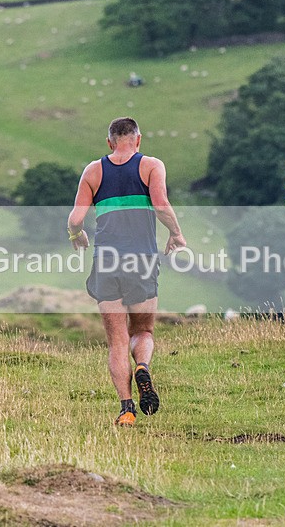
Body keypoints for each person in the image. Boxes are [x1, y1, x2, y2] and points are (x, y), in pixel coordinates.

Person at [67, 117, 186, 427]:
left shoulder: (94, 171)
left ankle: (127, 410)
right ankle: (143, 366)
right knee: (143, 331)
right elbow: (161, 206)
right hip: (142, 260)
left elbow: (76, 218)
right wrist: (176, 234)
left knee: (117, 341)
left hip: (107, 263)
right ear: (138, 140)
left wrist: (76, 235)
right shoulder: (151, 166)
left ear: (110, 143)